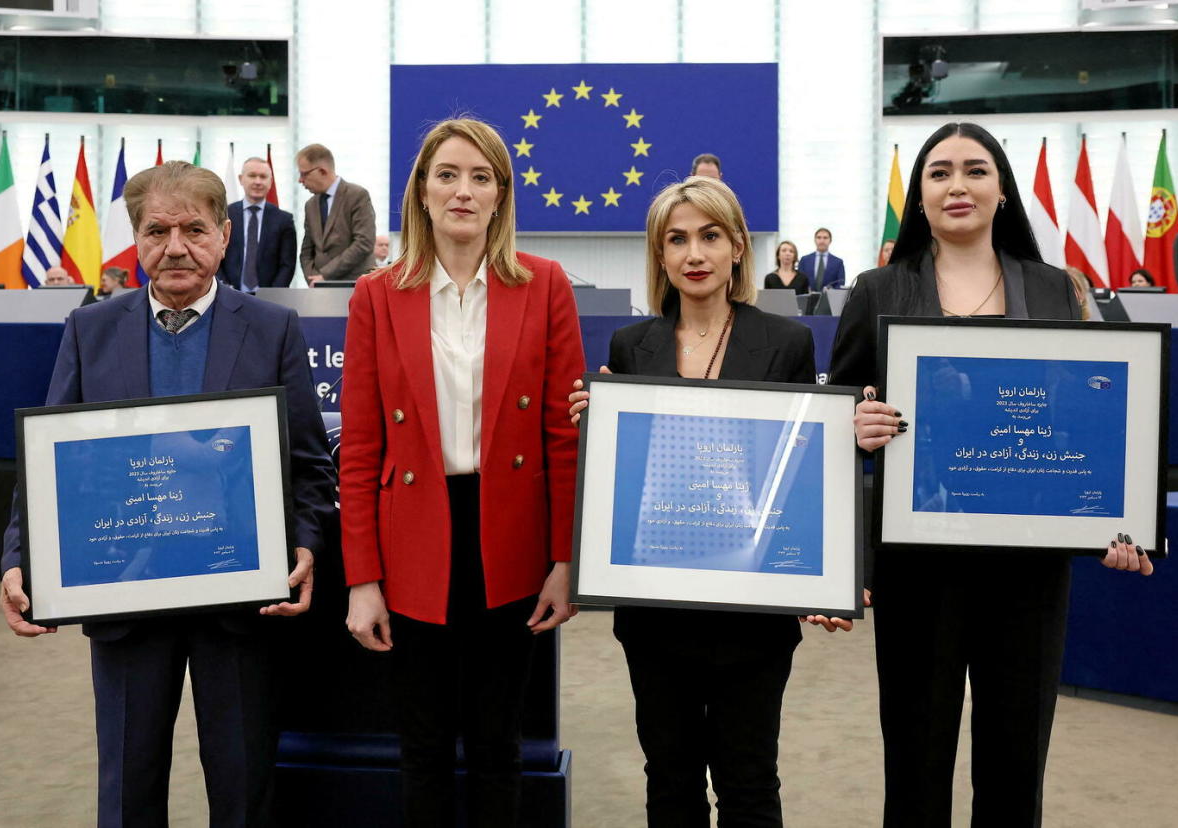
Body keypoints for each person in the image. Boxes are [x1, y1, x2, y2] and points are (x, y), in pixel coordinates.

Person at [829, 122, 1153, 827]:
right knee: (915, 764)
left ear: (1002, 189)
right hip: (918, 566)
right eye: (939, 173)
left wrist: (1114, 520)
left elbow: (1088, 423)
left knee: (1014, 768)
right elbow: (840, 415)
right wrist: (856, 427)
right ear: (919, 198)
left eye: (975, 170)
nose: (958, 186)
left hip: (1028, 571)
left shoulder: (1055, 288)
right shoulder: (877, 290)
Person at [0, 161, 336, 828]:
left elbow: (309, 463)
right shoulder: (89, 330)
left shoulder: (271, 329)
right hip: (124, 593)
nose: (176, 246)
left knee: (244, 788)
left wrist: (305, 543)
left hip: (239, 599)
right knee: (127, 788)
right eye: (156, 230)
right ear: (136, 238)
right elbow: (47, 465)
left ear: (224, 234)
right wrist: (19, 555)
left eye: (194, 228)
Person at [567, 177, 849, 827]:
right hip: (656, 610)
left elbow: (798, 474)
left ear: (738, 249)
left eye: (710, 236)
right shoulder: (629, 350)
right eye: (678, 239)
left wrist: (819, 571)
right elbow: (627, 481)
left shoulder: (786, 343)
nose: (695, 253)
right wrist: (598, 429)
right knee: (669, 782)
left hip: (752, 614)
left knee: (749, 784)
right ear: (660, 256)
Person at [339, 117, 585, 826]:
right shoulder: (376, 296)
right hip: (414, 540)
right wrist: (363, 579)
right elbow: (359, 450)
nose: (463, 191)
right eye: (447, 174)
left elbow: (563, 441)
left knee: (498, 746)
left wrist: (566, 560)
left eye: (482, 177)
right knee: (421, 751)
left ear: (501, 196)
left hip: (509, 542)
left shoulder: (544, 284)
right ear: (421, 191)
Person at [297, 143, 377, 284]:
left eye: (304, 174)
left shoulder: (357, 195)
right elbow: (307, 250)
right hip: (320, 288)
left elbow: (364, 243)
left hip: (355, 285)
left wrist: (325, 275)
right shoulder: (310, 205)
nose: (300, 180)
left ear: (322, 171)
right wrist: (313, 278)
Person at [217, 156, 298, 291]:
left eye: (263, 177)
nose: (258, 181)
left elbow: (287, 265)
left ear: (270, 182)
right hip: (229, 293)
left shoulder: (284, 220)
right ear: (241, 179)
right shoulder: (225, 215)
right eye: (252, 176)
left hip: (268, 299)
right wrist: (225, 287)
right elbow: (216, 255)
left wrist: (272, 294)